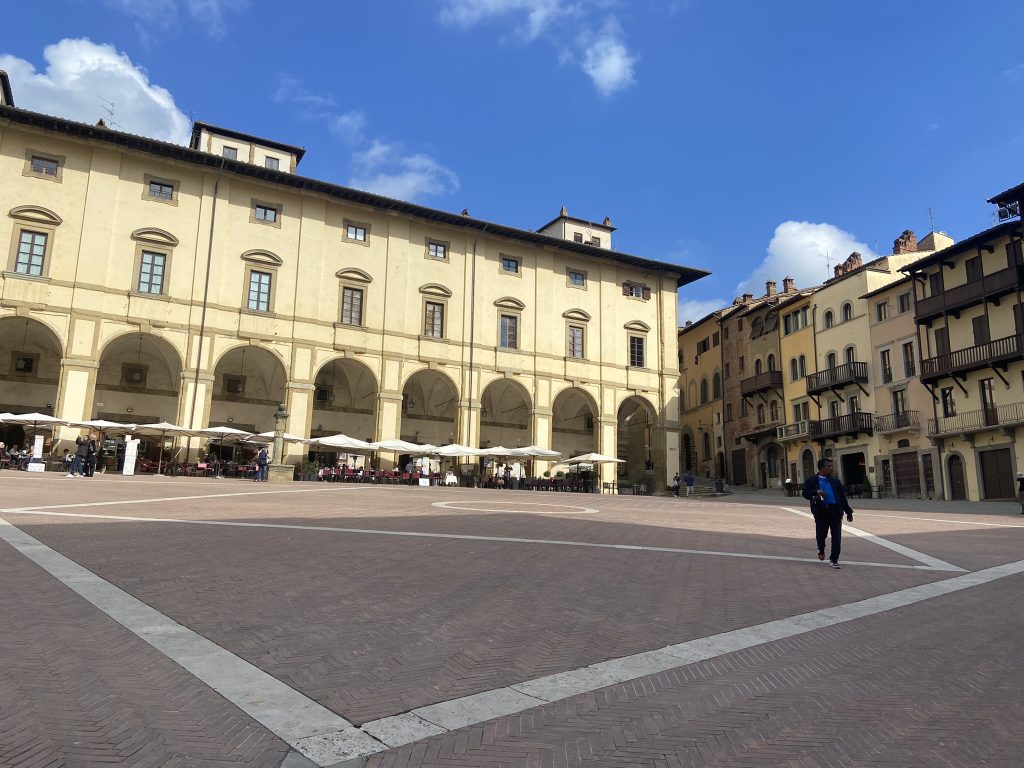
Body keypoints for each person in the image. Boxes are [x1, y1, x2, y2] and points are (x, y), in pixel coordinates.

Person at [802, 458, 854, 569]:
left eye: (831, 466)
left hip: (835, 511)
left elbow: (842, 497)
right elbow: (805, 493)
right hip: (821, 512)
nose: (831, 468)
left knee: (836, 537)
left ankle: (834, 559)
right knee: (821, 534)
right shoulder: (812, 480)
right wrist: (816, 491)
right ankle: (821, 548)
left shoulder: (835, 481)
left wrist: (848, 512)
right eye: (829, 466)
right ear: (821, 468)